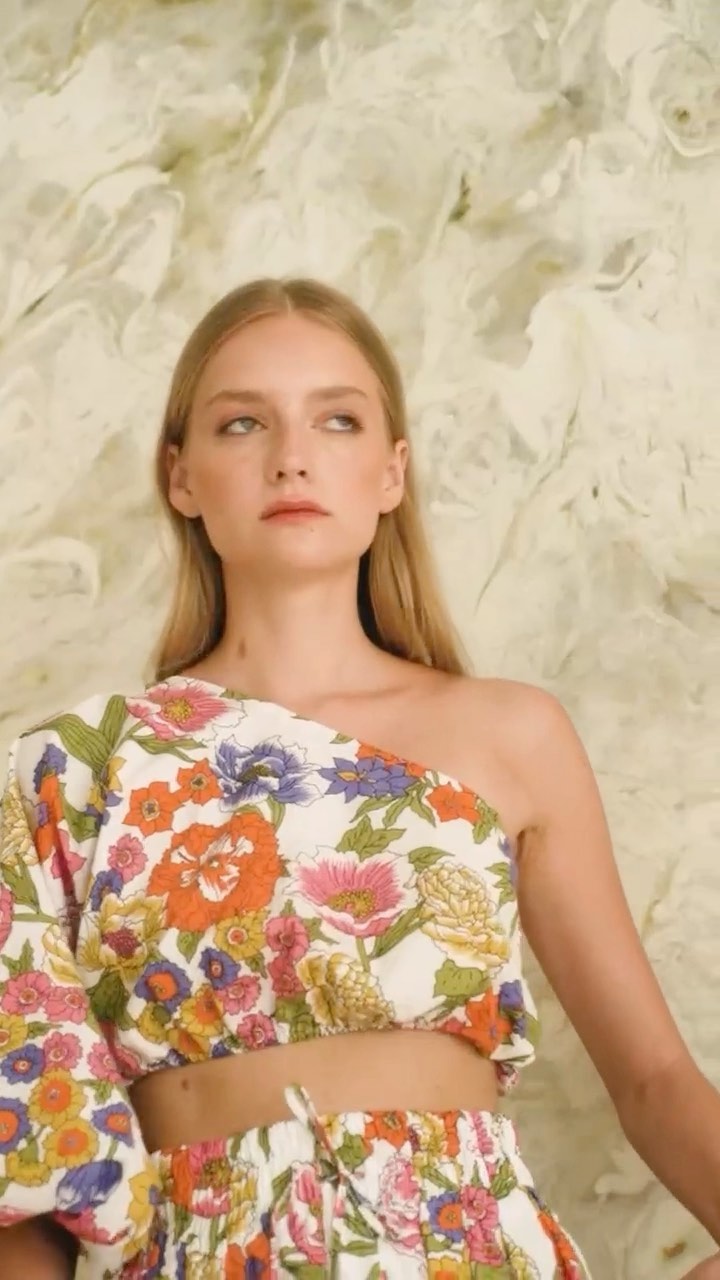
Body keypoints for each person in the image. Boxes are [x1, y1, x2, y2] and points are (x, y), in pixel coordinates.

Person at [0, 277, 718, 1280]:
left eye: (336, 419)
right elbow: (34, 1164)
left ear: (391, 472)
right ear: (181, 476)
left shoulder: (510, 734)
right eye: (243, 422)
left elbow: (654, 1080)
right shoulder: (72, 768)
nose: (291, 455)